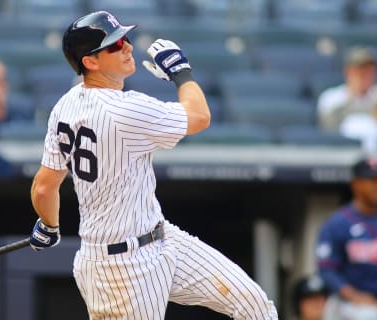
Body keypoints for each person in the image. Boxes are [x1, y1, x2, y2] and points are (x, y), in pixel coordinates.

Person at [28, 10, 278, 320]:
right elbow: (200, 116)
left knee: (254, 305)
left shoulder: (65, 105)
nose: (127, 47)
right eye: (114, 45)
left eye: (125, 39)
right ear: (90, 62)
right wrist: (181, 72)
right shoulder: (125, 109)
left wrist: (48, 224)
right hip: (119, 270)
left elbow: (43, 187)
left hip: (161, 239)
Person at [316, 156, 377, 319]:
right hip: (353, 303)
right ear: (355, 184)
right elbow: (327, 270)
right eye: (372, 180)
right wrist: (354, 296)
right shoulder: (337, 223)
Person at [317, 46, 377, 132]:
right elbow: (328, 132)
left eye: (368, 70)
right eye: (358, 71)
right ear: (347, 71)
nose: (364, 75)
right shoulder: (330, 98)